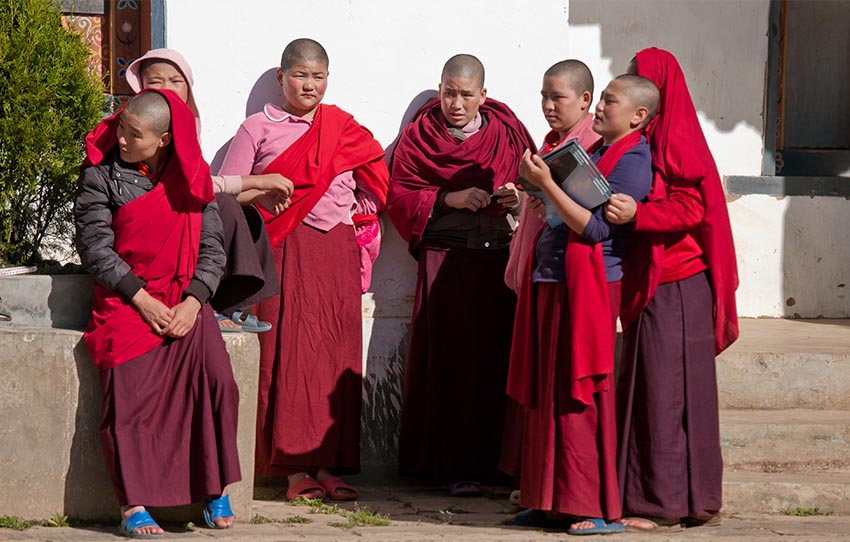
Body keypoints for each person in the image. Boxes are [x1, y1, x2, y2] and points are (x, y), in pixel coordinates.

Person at [218, 38, 390, 501]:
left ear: (328, 79)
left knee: (335, 353)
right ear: (281, 78)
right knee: (290, 351)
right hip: (282, 249)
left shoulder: (343, 127)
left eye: (317, 76)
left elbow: (376, 182)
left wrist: (355, 216)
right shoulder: (256, 128)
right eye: (299, 75)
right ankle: (293, 468)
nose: (308, 85)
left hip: (335, 249)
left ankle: (330, 463)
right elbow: (228, 196)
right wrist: (266, 193)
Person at [74, 90, 240, 538]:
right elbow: (95, 248)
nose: (122, 140)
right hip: (126, 301)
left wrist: (193, 301)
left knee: (218, 380)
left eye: (134, 135)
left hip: (183, 297)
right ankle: (133, 505)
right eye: (122, 129)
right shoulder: (100, 175)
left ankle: (214, 488)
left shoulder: (191, 176)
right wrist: (141, 298)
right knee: (127, 396)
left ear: (164, 139)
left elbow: (211, 248)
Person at [507, 74, 657, 535]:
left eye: (609, 101)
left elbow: (595, 231)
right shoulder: (593, 153)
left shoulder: (633, 159)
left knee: (580, 394)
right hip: (554, 277)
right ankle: (548, 500)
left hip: (589, 285)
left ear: (638, 116)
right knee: (546, 392)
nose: (600, 107)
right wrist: (542, 201)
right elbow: (567, 216)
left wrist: (547, 186)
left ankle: (592, 506)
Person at [386, 53, 535, 496]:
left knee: (493, 363)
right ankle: (450, 464)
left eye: (466, 94)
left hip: (495, 260)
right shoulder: (420, 135)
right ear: (439, 89)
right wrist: (449, 198)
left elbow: (534, 182)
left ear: (483, 96)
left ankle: (497, 464)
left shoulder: (506, 133)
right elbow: (399, 192)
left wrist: (516, 200)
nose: (455, 103)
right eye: (449, 92)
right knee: (449, 364)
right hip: (443, 259)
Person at [605, 47, 739, 532]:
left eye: (641, 78)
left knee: (668, 392)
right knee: (647, 388)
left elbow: (692, 209)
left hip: (679, 283)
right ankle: (647, 496)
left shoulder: (676, 138)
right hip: (654, 281)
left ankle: (665, 503)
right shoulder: (647, 137)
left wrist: (640, 215)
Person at [126, 48, 293, 333]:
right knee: (224, 205)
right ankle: (212, 305)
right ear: (141, 88)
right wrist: (256, 181)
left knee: (245, 213)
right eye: (156, 82)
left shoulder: (186, 126)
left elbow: (198, 182)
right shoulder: (137, 126)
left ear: (187, 88)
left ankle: (231, 304)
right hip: (148, 217)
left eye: (175, 81)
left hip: (179, 209)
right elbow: (197, 185)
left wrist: (256, 195)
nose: (166, 89)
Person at [499, 60, 602, 486]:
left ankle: (565, 482)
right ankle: (538, 480)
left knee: (564, 383)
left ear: (584, 100)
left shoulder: (593, 145)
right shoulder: (553, 144)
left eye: (557, 97)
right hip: (545, 268)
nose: (547, 105)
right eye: (543, 96)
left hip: (574, 276)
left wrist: (550, 199)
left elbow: (592, 212)